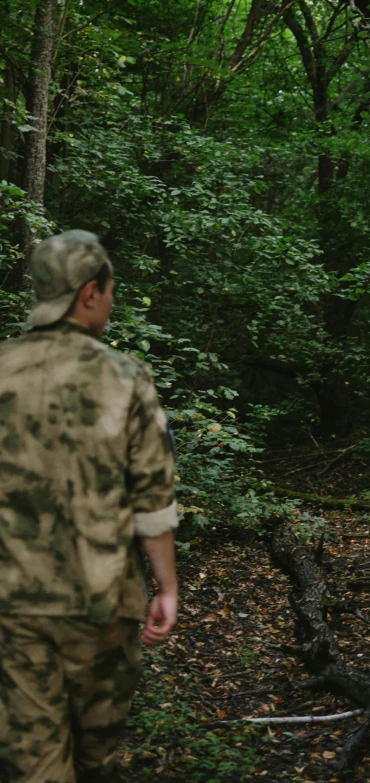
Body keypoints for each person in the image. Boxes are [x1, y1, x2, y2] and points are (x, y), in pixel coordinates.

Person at [0, 230, 179, 783]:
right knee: (95, 757)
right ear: (90, 293)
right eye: (109, 289)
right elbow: (152, 499)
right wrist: (166, 586)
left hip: (13, 605)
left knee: (33, 763)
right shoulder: (124, 376)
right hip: (102, 602)